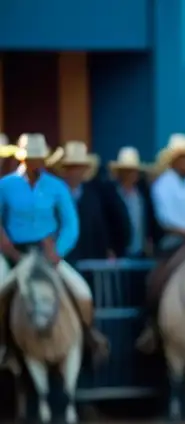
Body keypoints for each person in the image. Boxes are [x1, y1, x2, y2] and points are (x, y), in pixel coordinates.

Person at [0, 134, 107, 365]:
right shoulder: (5, 185)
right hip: (14, 252)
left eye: (39, 158)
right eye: (31, 158)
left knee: (82, 291)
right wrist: (4, 242)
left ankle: (88, 336)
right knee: (2, 291)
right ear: (22, 159)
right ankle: (5, 346)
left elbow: (70, 224)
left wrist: (57, 251)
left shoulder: (56, 186)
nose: (36, 162)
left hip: (47, 251)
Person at [137, 133, 185, 352]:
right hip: (174, 240)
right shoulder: (163, 184)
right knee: (160, 277)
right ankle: (152, 322)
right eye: (184, 158)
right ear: (174, 160)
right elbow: (165, 219)